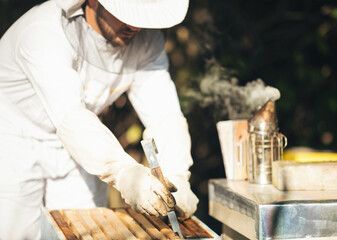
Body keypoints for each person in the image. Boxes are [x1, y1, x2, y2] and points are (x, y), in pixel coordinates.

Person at [0, 0, 199, 239]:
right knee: (14, 232)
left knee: (86, 229)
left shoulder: (145, 39)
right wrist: (126, 174)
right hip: (13, 140)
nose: (135, 26)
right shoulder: (44, 30)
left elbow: (164, 115)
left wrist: (177, 175)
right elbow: (70, 117)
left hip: (79, 146)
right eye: (127, 15)